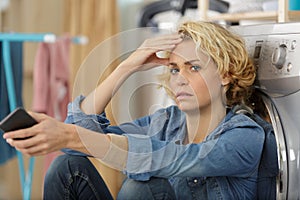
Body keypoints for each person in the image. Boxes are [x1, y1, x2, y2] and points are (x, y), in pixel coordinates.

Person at [3, 21, 275, 199]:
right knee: (67, 166)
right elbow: (78, 147)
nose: (179, 78)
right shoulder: (166, 123)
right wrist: (127, 66)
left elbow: (172, 158)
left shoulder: (245, 136)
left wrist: (67, 135)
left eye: (193, 67)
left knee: (143, 187)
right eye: (173, 69)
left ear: (226, 75)